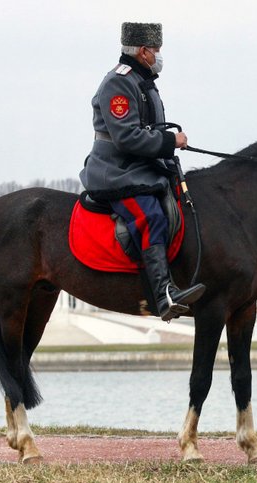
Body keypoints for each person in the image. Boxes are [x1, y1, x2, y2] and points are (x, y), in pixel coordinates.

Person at [80, 22, 205, 321]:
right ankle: (164, 294)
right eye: (157, 50)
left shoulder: (142, 80)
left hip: (140, 167)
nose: (160, 56)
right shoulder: (118, 83)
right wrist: (170, 141)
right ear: (144, 51)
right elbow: (126, 137)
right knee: (149, 216)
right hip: (116, 171)